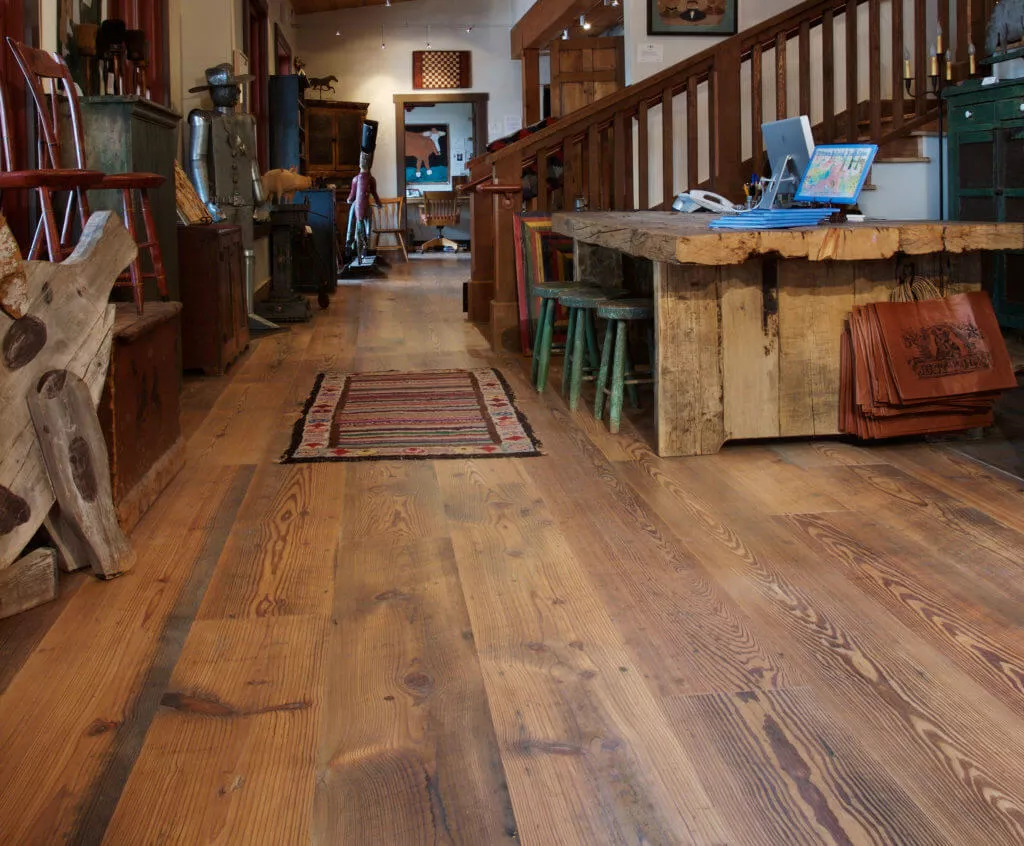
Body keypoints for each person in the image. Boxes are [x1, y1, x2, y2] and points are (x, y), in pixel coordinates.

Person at [187, 63, 273, 328]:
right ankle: (225, 318)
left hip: (244, 198)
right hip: (219, 200)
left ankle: (247, 312)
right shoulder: (202, 119)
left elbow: (252, 161)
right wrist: (206, 201)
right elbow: (197, 160)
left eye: (236, 86)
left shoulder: (247, 121)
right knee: (220, 259)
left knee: (247, 254)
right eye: (230, 87)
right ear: (216, 91)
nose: (237, 91)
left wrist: (260, 197)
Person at [346, 151, 381, 260]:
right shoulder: (369, 179)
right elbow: (373, 193)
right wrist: (378, 203)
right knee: (358, 220)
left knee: (355, 219)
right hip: (363, 206)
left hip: (360, 205)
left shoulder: (357, 179)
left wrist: (349, 200)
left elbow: (352, 195)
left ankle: (351, 241)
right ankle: (351, 241)